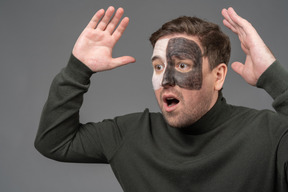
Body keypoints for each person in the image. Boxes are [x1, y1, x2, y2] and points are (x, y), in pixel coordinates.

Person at [35, 6, 288, 192]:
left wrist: (273, 77)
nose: (166, 79)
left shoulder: (270, 135)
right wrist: (78, 68)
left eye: (182, 65)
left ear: (219, 75)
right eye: (158, 67)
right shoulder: (130, 135)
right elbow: (54, 142)